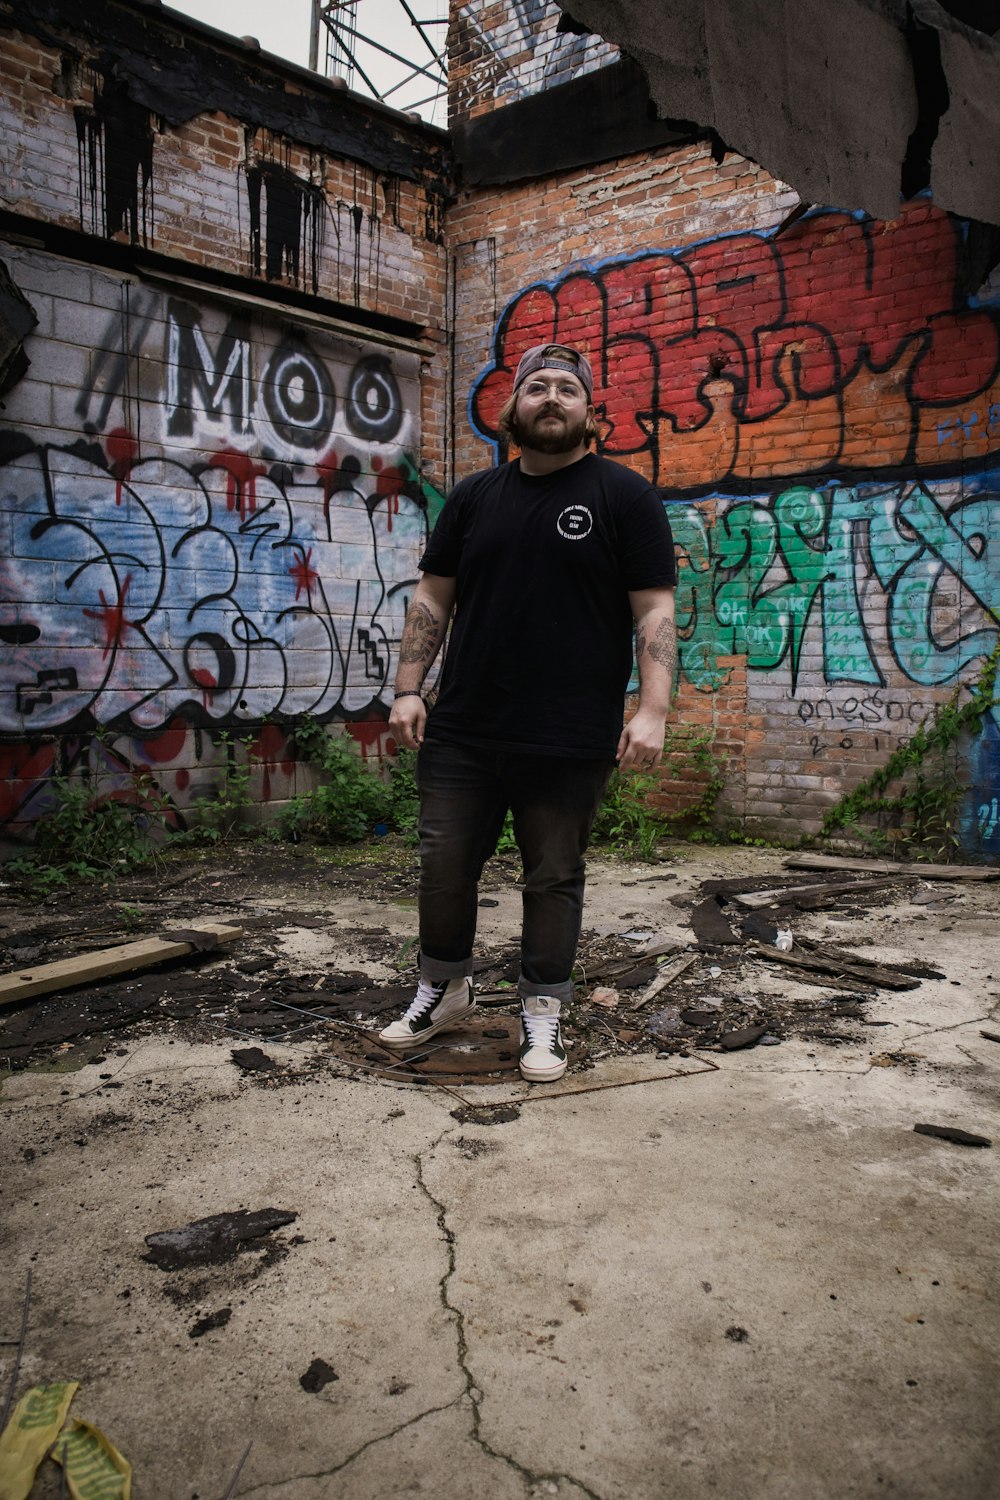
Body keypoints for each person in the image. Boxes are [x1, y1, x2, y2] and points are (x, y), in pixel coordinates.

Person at [379, 343, 677, 1082]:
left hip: (568, 733)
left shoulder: (623, 496)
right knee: (444, 868)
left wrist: (654, 710)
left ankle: (542, 1011)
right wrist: (408, 687)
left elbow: (654, 612)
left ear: (590, 415)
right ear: (511, 410)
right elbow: (432, 599)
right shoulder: (475, 498)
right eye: (536, 387)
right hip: (465, 728)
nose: (551, 397)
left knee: (554, 875)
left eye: (567, 389)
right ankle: (443, 988)